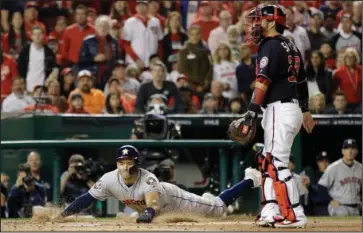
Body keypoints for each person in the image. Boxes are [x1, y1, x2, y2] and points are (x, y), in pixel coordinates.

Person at [232, 5, 315, 228]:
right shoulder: (291, 45)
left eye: (259, 20)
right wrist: (306, 111)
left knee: (277, 163)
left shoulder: (269, 44)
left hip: (280, 108)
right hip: (290, 108)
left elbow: (262, 81)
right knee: (267, 161)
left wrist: (251, 110)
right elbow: (302, 82)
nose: (254, 24)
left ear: (271, 22)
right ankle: (271, 209)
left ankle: (295, 213)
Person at [53, 145, 262, 223]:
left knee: (217, 208)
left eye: (130, 163)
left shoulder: (148, 179)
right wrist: (63, 214)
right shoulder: (109, 179)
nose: (126, 167)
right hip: (151, 211)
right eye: (122, 163)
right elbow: (86, 199)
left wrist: (148, 215)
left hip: (172, 201)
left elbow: (152, 204)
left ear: (137, 163)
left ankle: (250, 178)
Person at [317, 139, 362, 216]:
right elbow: (321, 187)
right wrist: (330, 201)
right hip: (339, 206)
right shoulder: (334, 167)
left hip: (356, 206)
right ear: (342, 151)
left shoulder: (360, 168)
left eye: (353, 148)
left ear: (356, 151)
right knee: (341, 214)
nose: (350, 151)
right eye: (347, 148)